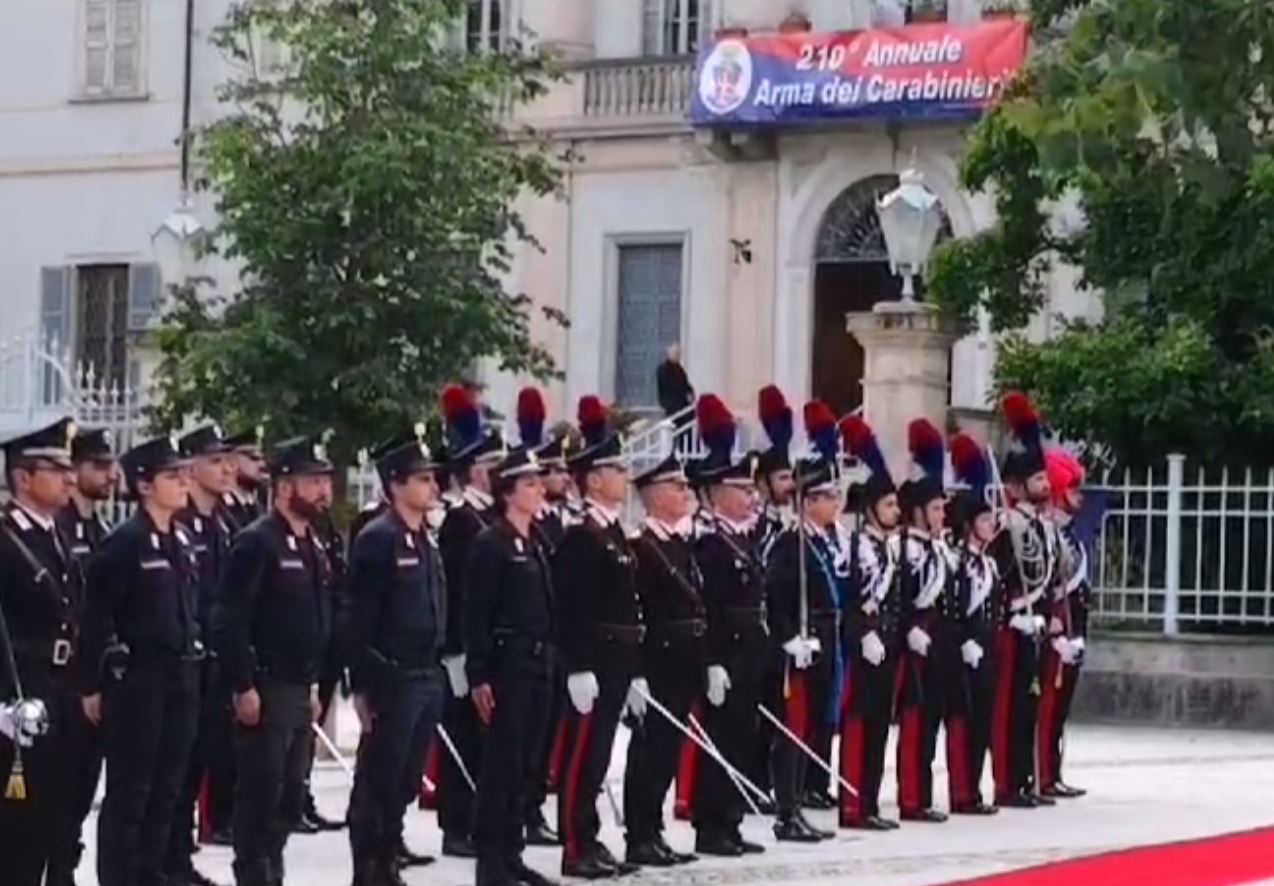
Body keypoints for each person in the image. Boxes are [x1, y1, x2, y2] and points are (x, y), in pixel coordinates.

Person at [80, 433, 203, 886]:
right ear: (144, 484)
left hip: (182, 676)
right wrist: (93, 684)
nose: (182, 483)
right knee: (132, 792)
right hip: (140, 681)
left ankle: (151, 873)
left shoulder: (181, 539)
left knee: (168, 790)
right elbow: (95, 616)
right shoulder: (124, 542)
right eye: (172, 476)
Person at [217, 433, 335, 886]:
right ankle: (253, 875)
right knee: (260, 797)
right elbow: (231, 619)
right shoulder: (256, 542)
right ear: (286, 487)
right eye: (314, 481)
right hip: (265, 688)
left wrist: (315, 685)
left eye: (325, 481)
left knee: (289, 796)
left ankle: (273, 873)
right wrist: (243, 685)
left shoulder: (311, 541)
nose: (324, 491)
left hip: (299, 687)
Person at [345, 427, 447, 886]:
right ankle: (370, 869)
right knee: (379, 780)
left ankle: (389, 859)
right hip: (392, 674)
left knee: (406, 779)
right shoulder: (378, 538)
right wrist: (363, 684)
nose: (432, 486)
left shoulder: (423, 536)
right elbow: (360, 616)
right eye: (421, 478)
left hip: (426, 673)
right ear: (396, 484)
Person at [553, 395, 642, 879]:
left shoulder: (612, 534)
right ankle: (574, 844)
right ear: (592, 480)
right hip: (595, 658)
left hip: (617, 659)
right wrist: (579, 665)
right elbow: (574, 608)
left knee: (601, 754)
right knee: (582, 756)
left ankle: (589, 834)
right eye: (615, 470)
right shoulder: (582, 536)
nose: (624, 477)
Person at [466, 444, 559, 886]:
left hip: (537, 665)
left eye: (539, 482)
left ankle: (513, 851)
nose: (539, 489)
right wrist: (478, 674)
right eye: (529, 483)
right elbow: (477, 613)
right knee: (501, 766)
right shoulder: (492, 542)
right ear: (507, 491)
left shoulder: (534, 541)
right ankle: (491, 861)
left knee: (526, 765)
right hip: (506, 666)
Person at [0, 418, 80, 886]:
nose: (69, 477)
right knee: (16, 831)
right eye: (54, 469)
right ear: (23, 479)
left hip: (59, 691)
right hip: (19, 694)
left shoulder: (56, 534)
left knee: (56, 818)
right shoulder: (6, 538)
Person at [690, 397, 767, 857]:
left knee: (743, 738)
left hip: (751, 649)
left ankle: (731, 820)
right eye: (742, 490)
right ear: (719, 493)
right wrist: (713, 660)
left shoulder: (742, 538)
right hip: (728, 649)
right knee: (721, 739)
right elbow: (710, 607)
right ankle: (710, 824)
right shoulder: (710, 543)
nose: (751, 497)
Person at [764, 401, 843, 843]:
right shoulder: (789, 544)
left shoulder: (820, 543)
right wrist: (789, 638)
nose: (836, 503)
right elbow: (774, 598)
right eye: (829, 497)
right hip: (798, 651)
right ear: (807, 502)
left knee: (809, 730)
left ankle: (796, 807)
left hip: (823, 645)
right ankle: (786, 811)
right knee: (792, 732)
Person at [622, 450, 701, 868]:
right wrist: (635, 672)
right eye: (677, 486)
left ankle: (653, 831)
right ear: (654, 496)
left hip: (683, 661)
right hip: (657, 661)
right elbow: (636, 613)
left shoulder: (678, 545)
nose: (685, 492)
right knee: (648, 752)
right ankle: (639, 834)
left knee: (669, 752)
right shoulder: (641, 547)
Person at [436, 384, 505, 859]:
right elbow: (458, 591)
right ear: (476, 471)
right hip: (464, 648)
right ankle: (455, 823)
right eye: (494, 466)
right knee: (462, 735)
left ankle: (482, 819)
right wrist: (457, 650)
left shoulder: (494, 519)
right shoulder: (461, 522)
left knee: (486, 743)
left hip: (494, 648)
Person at [166, 424, 237, 886]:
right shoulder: (180, 522)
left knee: (197, 767)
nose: (228, 468)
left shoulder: (222, 522)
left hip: (216, 663)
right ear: (190, 470)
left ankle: (178, 860)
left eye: (228, 459)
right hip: (185, 662)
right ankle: (165, 862)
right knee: (175, 769)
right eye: (216, 461)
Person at [49, 426, 115, 886]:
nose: (109, 475)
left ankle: (66, 866)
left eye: (111, 465)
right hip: (60, 681)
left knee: (83, 784)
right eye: (98, 466)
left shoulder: (102, 531)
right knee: (57, 785)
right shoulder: (61, 528)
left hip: (93, 676)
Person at [991, 392, 1057, 808]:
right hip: (1013, 627)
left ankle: (1026, 777)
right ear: (1016, 487)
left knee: (1030, 705)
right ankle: (1006, 782)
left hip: (1037, 625)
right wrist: (1012, 614)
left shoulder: (1041, 526)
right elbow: (999, 581)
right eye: (1037, 481)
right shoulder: (1008, 527)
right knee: (1009, 709)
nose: (1045, 486)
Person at [838, 415, 903, 831]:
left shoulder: (891, 549)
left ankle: (871, 802)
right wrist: (864, 634)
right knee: (860, 724)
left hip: (888, 644)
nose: (896, 511)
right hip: (864, 646)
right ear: (870, 510)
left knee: (881, 725)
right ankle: (852, 805)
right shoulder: (856, 547)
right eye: (889, 505)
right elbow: (849, 600)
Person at [516, 387, 567, 847]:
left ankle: (532, 809)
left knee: (542, 740)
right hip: (513, 655)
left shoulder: (551, 522)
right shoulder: (507, 530)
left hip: (551, 648)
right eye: (550, 473)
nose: (560, 479)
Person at [894, 419, 952, 824]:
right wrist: (909, 629)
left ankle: (925, 794)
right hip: (914, 640)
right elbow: (897, 597)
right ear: (917, 512)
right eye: (934, 509)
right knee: (914, 723)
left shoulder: (938, 549)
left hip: (938, 643)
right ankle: (911, 798)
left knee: (931, 721)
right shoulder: (906, 550)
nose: (942, 515)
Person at [945, 434, 1001, 816]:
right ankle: (961, 791)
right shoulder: (957, 561)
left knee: (983, 719)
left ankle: (975, 789)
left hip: (988, 645)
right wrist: (964, 640)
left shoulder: (989, 562)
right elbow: (953, 606)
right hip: (964, 649)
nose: (991, 523)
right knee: (963, 721)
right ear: (968, 525)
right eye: (984, 518)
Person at [747, 385, 795, 806]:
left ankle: (766, 783)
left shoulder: (785, 524)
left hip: (778, 631)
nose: (789, 485)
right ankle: (751, 782)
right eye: (782, 478)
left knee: (775, 712)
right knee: (753, 713)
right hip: (756, 629)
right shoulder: (756, 526)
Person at [1038, 448, 1090, 800]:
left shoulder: (1066, 535)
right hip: (1054, 633)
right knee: (1046, 711)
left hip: (1072, 633)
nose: (1078, 498)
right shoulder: (1047, 535)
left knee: (1061, 709)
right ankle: (1042, 774)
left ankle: (1053, 771)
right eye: (1072, 490)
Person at [221, 427, 266, 533]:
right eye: (253, 458)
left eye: (261, 458)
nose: (261, 464)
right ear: (231, 461)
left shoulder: (257, 507)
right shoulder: (222, 508)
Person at [655, 343, 694, 424]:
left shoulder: (680, 369)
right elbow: (667, 387)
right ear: (669, 353)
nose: (678, 356)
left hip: (681, 405)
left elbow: (685, 384)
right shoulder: (663, 369)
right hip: (671, 406)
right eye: (675, 353)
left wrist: (690, 393)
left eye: (678, 354)